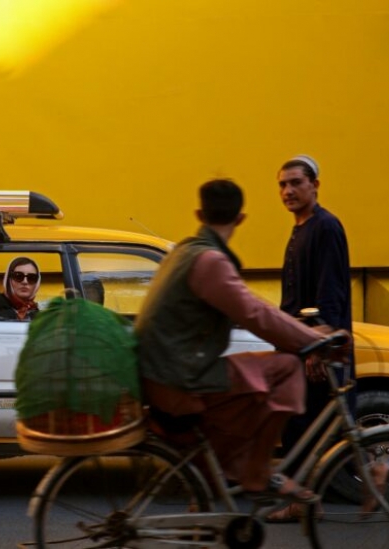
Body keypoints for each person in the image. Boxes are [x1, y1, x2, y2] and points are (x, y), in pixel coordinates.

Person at [136, 179, 347, 505]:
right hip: (180, 379)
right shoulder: (210, 261)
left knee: (251, 379)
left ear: (199, 214)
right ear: (240, 218)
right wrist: (313, 339)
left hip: (162, 375)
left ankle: (218, 487)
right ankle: (257, 471)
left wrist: (299, 331)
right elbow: (254, 313)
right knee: (286, 368)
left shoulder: (184, 252)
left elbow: (252, 305)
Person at [274, 154, 356, 520]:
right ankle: (303, 503)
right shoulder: (300, 229)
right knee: (300, 424)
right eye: (282, 184)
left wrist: (317, 347)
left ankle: (376, 467)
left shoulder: (326, 227)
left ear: (315, 185)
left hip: (317, 347)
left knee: (321, 425)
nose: (288, 191)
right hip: (301, 344)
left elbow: (330, 292)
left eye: (296, 183)